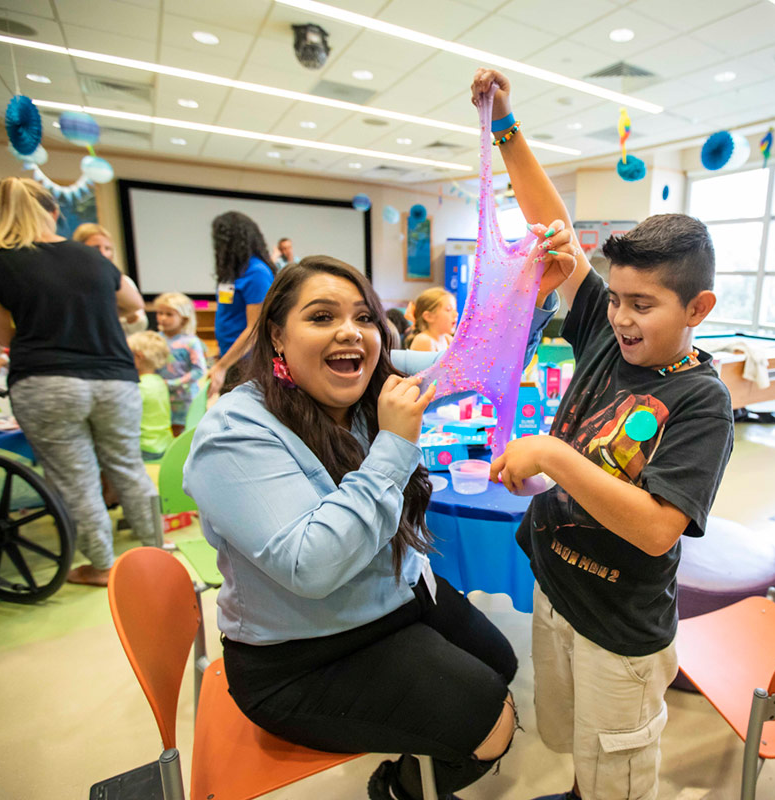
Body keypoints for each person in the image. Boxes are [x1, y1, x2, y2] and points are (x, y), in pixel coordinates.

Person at [473, 68, 734, 800]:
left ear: (697, 307)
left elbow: (656, 530)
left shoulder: (700, 401)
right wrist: (506, 125)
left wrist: (552, 455)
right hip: (557, 587)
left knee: (617, 763)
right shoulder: (603, 334)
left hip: (620, 623)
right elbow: (550, 228)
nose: (619, 317)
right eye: (614, 298)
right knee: (578, 742)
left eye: (642, 304)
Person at [183, 257, 520, 800]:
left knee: (500, 664)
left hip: (394, 597)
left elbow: (483, 363)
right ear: (277, 336)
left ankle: (418, 760)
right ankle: (398, 789)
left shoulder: (371, 378)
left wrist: (533, 288)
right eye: (321, 317)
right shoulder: (234, 432)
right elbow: (311, 567)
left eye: (364, 317)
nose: (349, 331)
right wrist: (393, 445)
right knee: (491, 719)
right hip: (301, 653)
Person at [0, 176, 160, 587]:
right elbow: (132, 303)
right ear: (54, 211)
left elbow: (4, 338)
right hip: (114, 378)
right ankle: (156, 550)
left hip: (46, 380)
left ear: (1, 213)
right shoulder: (93, 257)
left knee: (77, 479)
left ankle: (104, 566)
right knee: (129, 467)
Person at [206, 211, 275, 396]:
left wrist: (222, 366)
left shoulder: (256, 272)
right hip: (230, 356)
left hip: (246, 361)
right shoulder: (233, 271)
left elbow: (255, 329)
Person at [73, 222, 147, 335]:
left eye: (107, 248)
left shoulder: (123, 282)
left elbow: (140, 325)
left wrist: (128, 314)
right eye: (96, 247)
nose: (103, 253)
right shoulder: (71, 282)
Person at [152, 292, 207, 435]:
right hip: (161, 397)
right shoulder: (155, 339)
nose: (162, 318)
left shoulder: (191, 342)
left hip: (184, 399)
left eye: (169, 314)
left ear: (183, 318)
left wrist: (173, 383)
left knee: (181, 431)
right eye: (160, 313)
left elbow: (199, 371)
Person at [127, 331, 174, 461]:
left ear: (138, 357)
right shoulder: (159, 381)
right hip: (164, 444)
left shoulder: (139, 387)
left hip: (145, 448)